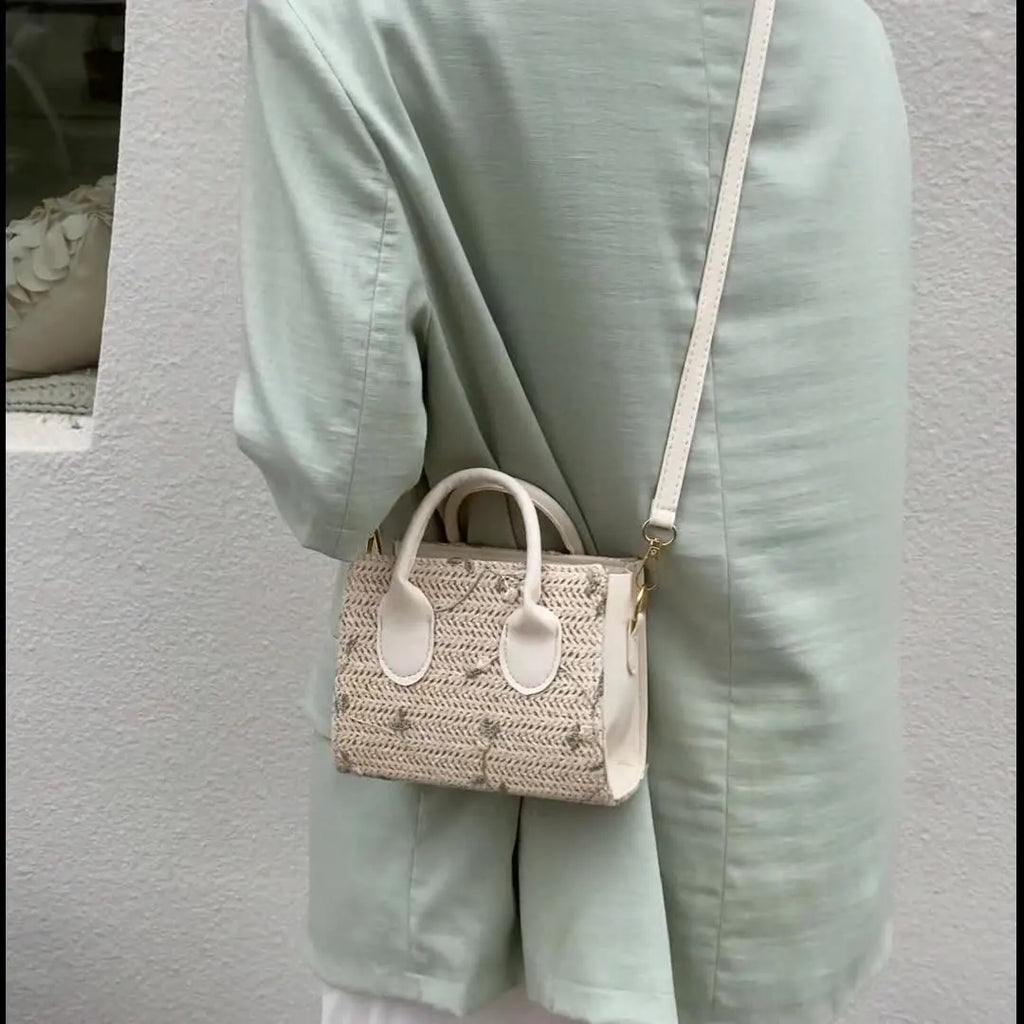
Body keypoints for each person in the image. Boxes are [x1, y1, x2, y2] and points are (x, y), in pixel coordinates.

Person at [234, 2, 912, 1022]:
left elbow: (331, 466)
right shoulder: (829, 30)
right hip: (770, 836)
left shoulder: (345, 17)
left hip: (470, 835)